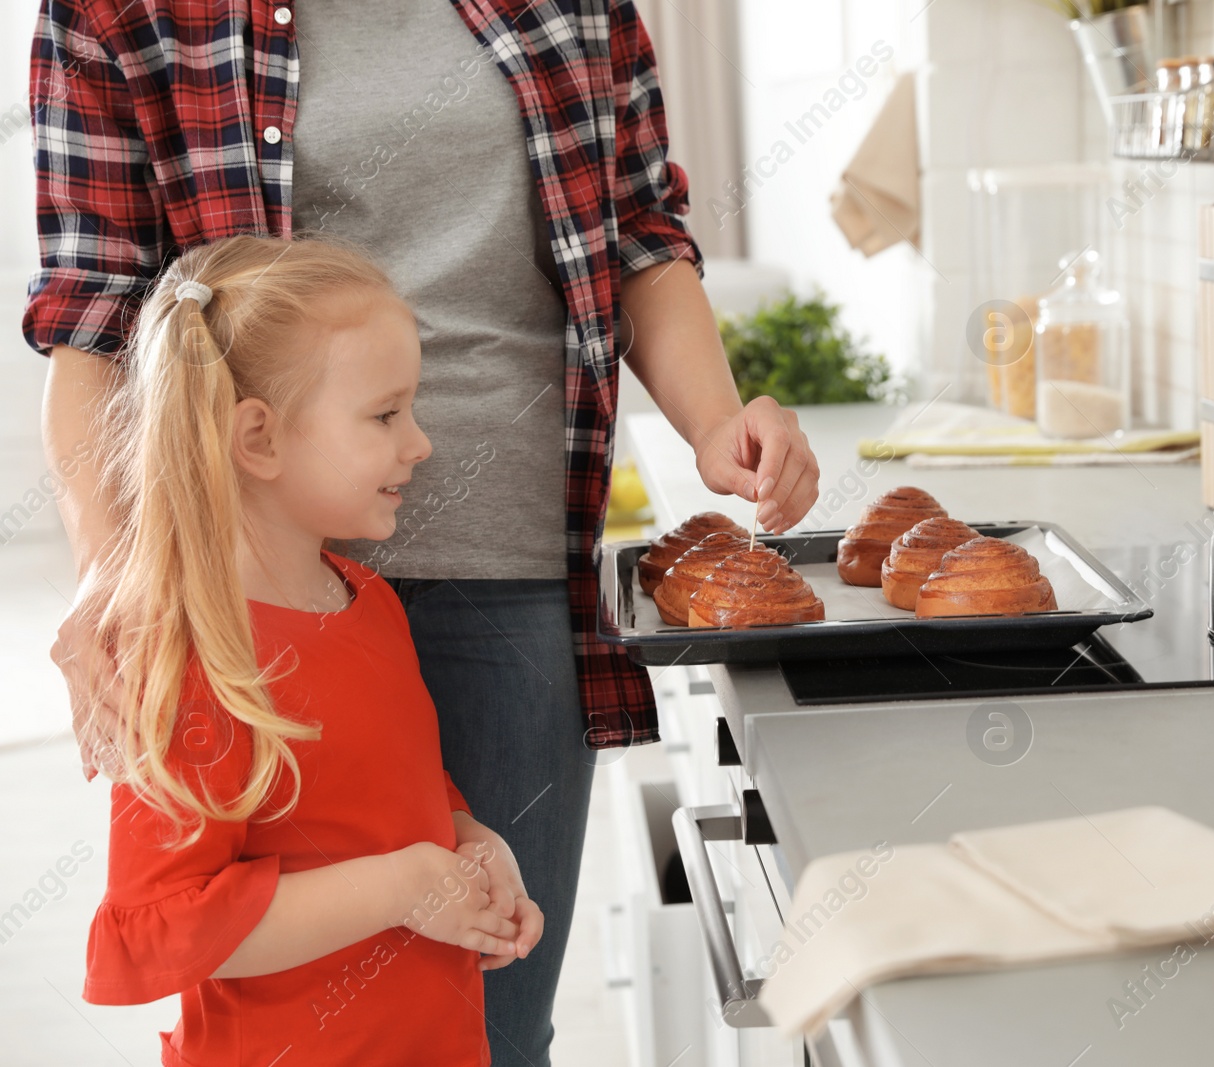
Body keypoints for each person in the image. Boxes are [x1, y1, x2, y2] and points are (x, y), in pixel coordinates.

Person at [29, 3, 821, 1063]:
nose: (419, 441)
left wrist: (718, 421)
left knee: (480, 1017)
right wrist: (112, 576)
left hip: (503, 562)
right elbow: (95, 310)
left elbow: (637, 231)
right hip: (244, 591)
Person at [79, 234, 541, 1066]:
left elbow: (391, 790)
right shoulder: (194, 658)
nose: (420, 443)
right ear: (257, 438)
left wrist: (473, 842)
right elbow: (169, 925)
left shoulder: (369, 603)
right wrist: (401, 887)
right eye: (384, 414)